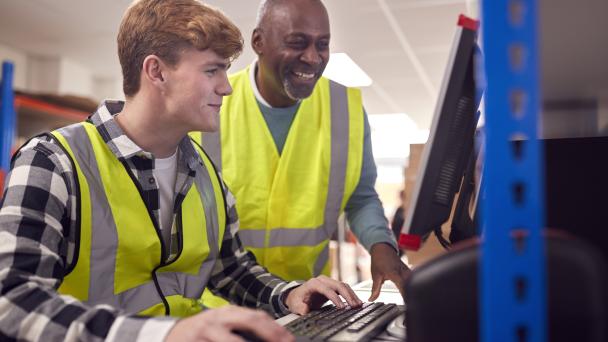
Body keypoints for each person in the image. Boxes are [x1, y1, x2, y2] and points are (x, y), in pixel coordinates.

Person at [0, 1, 363, 341]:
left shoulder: (205, 173)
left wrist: (288, 294)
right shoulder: (53, 161)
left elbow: (231, 269)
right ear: (156, 71)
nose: (226, 87)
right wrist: (163, 335)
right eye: (212, 70)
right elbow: (11, 299)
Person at [196, 0, 410, 303]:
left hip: (308, 302)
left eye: (322, 44)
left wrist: (382, 247)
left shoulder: (344, 109)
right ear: (259, 41)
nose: (312, 57)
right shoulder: (212, 105)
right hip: (221, 305)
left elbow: (360, 197)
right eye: (297, 43)